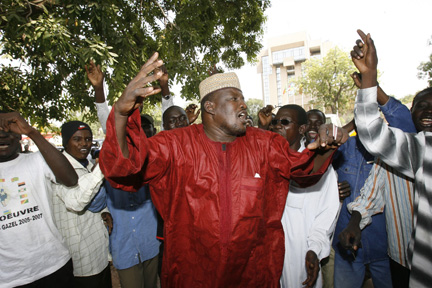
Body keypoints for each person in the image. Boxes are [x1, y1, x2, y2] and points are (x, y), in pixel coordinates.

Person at [99, 52, 349, 287]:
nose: (243, 105)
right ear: (210, 108)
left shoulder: (265, 144)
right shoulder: (174, 145)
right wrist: (121, 113)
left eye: (242, 98)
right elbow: (124, 168)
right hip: (192, 274)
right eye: (234, 99)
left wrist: (327, 147)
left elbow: (305, 170)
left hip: (252, 273)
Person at [350, 29, 432, 287]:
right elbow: (373, 135)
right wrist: (369, 77)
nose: (428, 111)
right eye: (422, 105)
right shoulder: (417, 148)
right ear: (411, 112)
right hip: (404, 259)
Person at [86, 60, 161, 288]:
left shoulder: (153, 162)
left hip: (151, 245)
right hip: (124, 248)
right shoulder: (111, 164)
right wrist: (100, 90)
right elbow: (95, 205)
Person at [338, 73, 417, 288]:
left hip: (386, 249)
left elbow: (403, 120)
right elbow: (368, 197)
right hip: (365, 250)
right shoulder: (349, 148)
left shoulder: (399, 147)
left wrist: (372, 85)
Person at [0, 111, 78, 288]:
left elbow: (71, 180)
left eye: (8, 130)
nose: (2, 135)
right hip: (9, 278)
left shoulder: (36, 160)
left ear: (19, 135)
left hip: (54, 265)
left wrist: (32, 132)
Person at [269, 105, 339, 288]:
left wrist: (313, 250)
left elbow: (327, 213)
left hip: (300, 258)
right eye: (275, 122)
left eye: (284, 122)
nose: (277, 126)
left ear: (301, 129)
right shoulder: (265, 160)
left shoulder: (318, 165)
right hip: (268, 258)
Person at [52, 121, 111, 287]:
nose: (84, 144)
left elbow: (96, 196)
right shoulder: (58, 168)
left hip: (98, 250)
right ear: (65, 142)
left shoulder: (89, 164)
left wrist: (104, 211)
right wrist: (101, 168)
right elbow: (76, 202)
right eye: (77, 139)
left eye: (88, 139)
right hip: (79, 256)